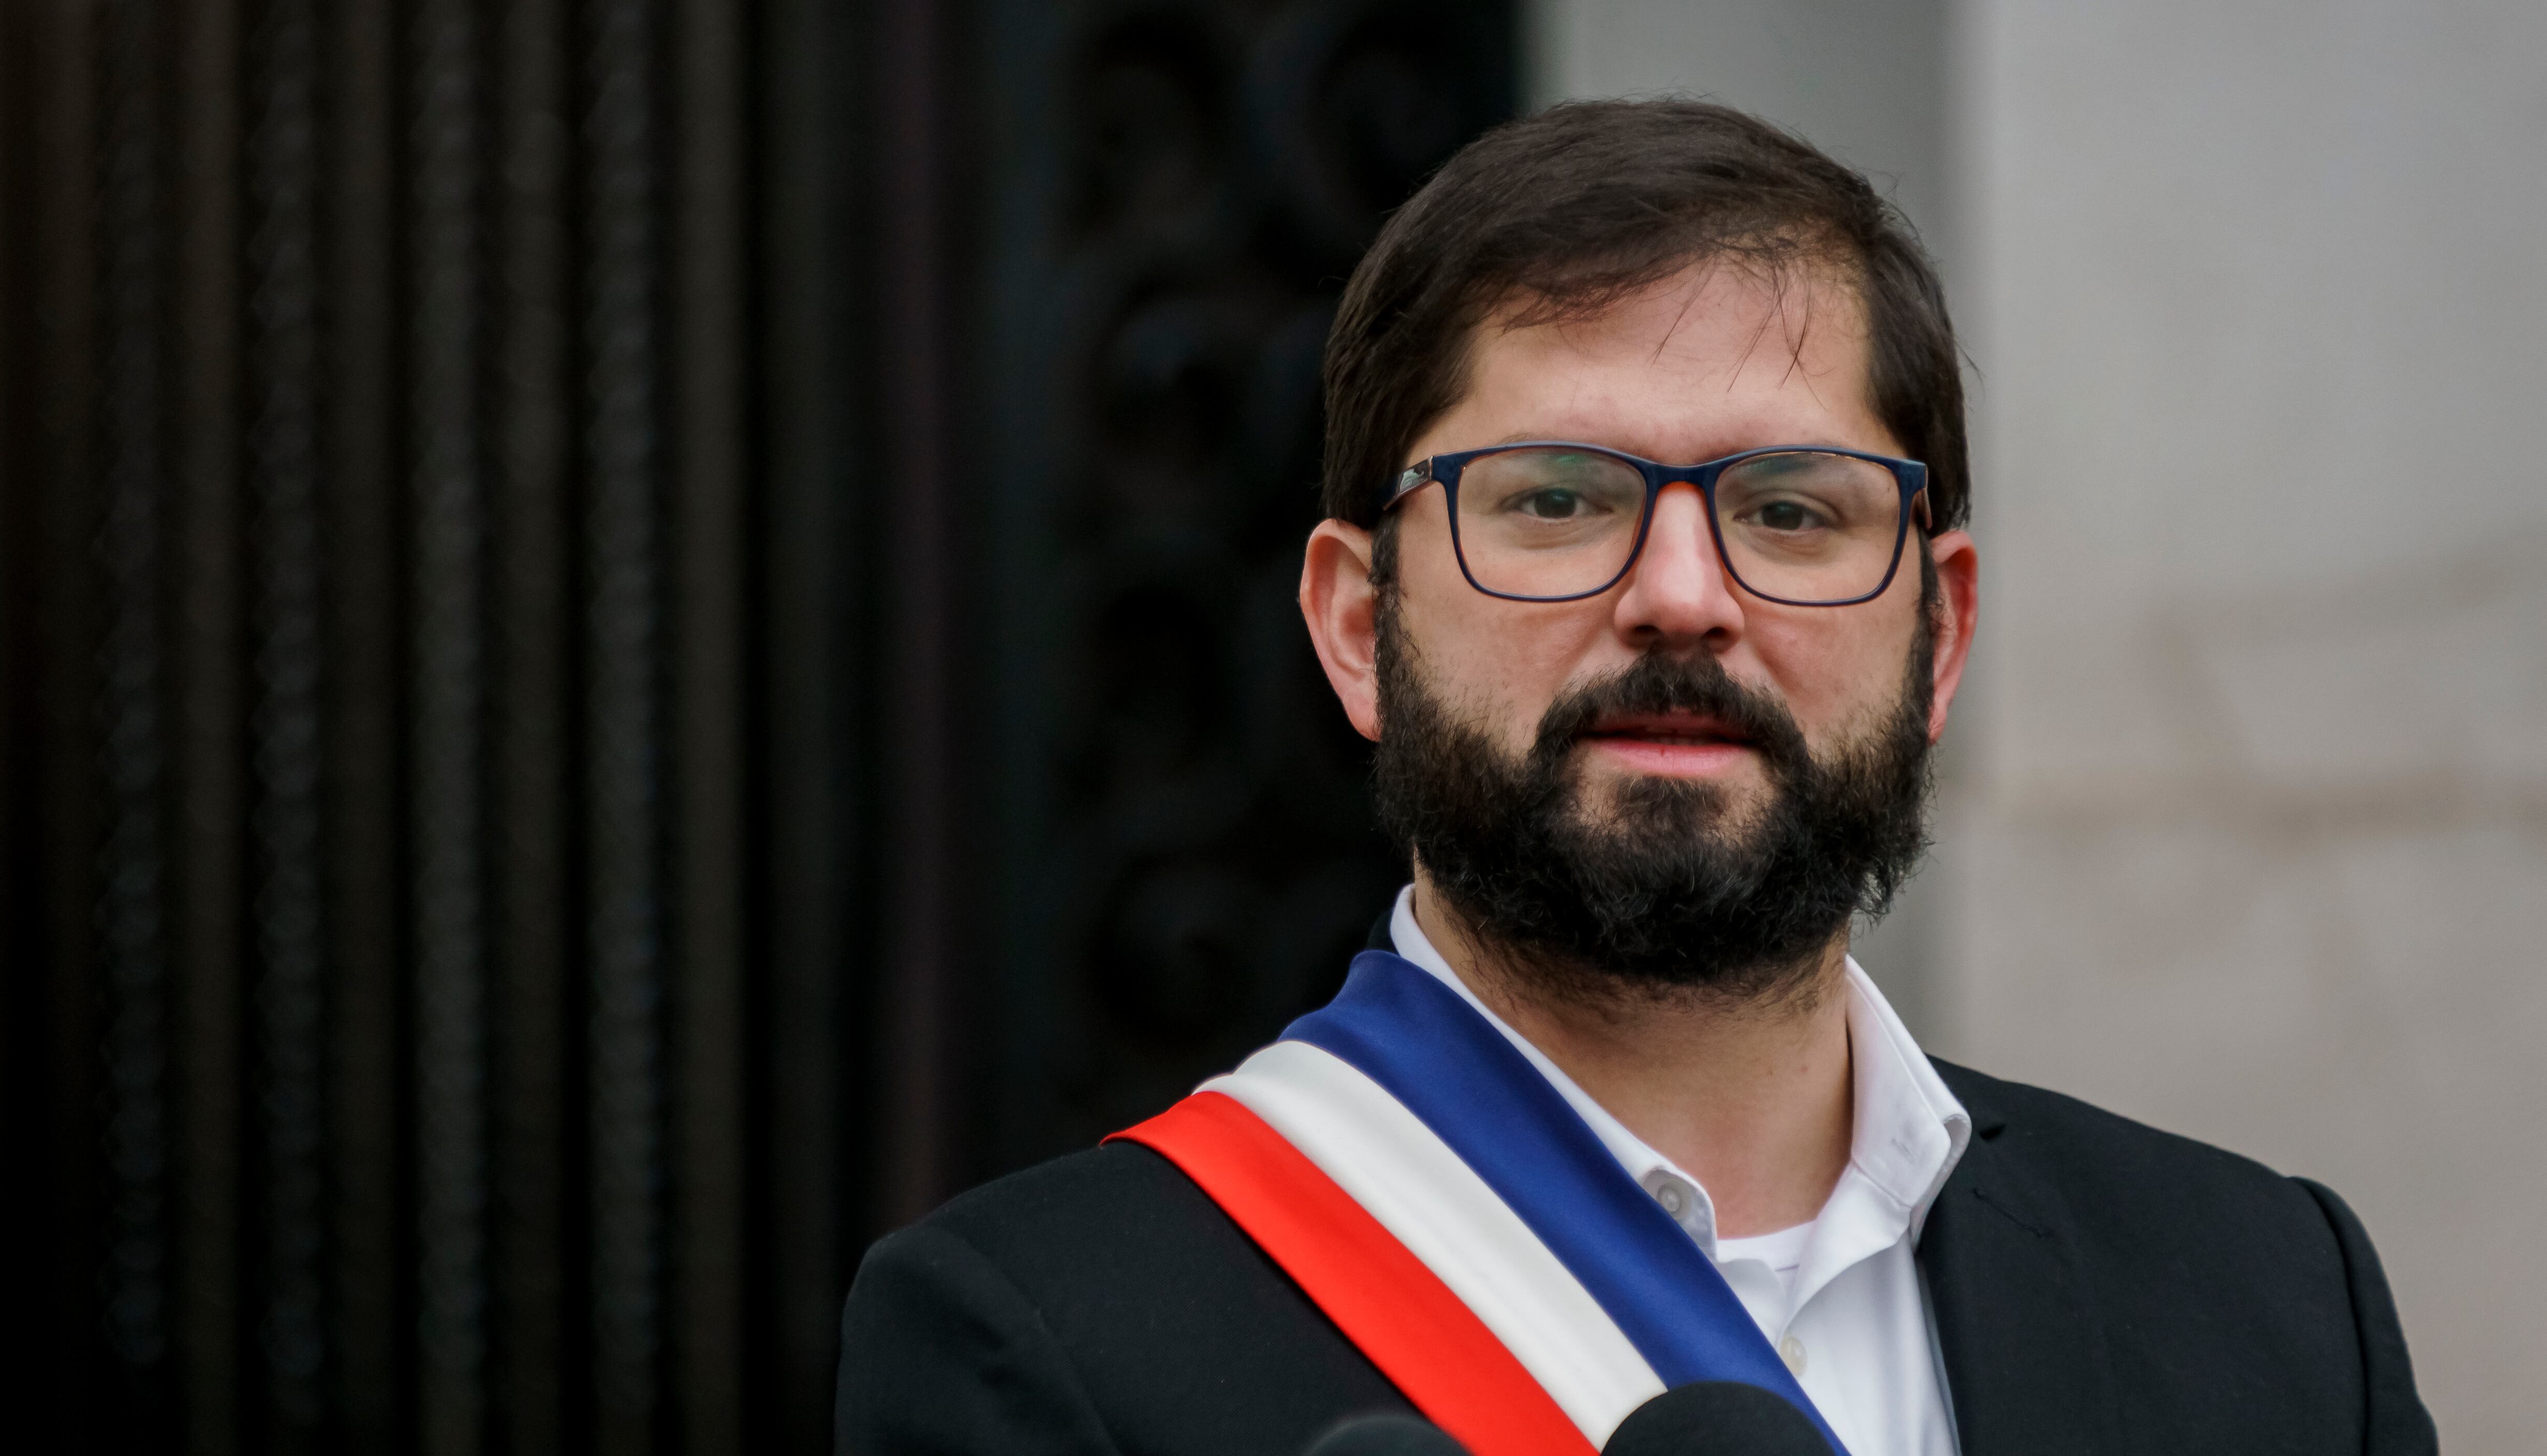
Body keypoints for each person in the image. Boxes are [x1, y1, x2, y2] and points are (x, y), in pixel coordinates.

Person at [835, 101, 2435, 1456]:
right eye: (1555, 501)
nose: (1682, 591)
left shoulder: (2274, 1311)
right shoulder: (1038, 1345)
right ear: (1356, 625)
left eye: (1793, 511)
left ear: (1939, 633)